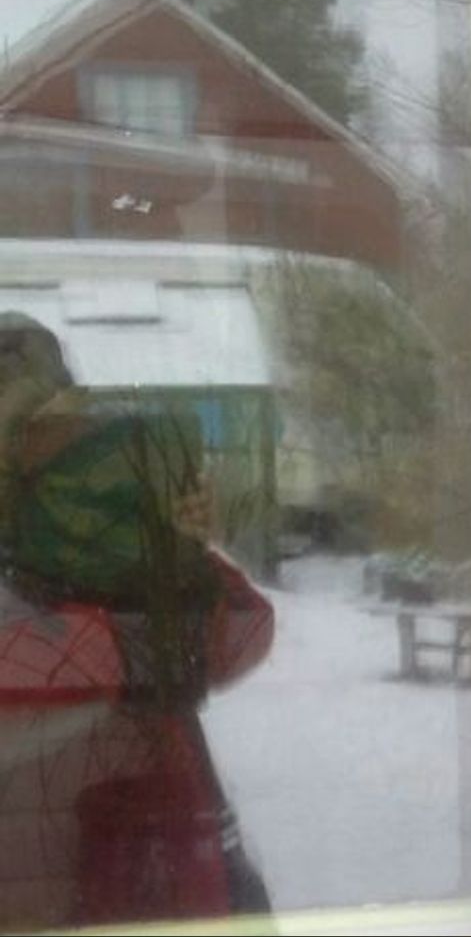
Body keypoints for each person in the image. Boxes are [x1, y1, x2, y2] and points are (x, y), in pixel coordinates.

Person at [0, 312, 274, 928]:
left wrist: (178, 549)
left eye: (45, 431)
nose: (26, 456)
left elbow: (236, 637)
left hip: (136, 874)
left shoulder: (88, 551)